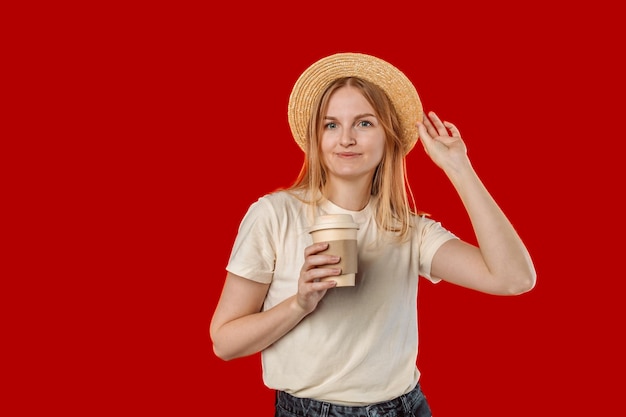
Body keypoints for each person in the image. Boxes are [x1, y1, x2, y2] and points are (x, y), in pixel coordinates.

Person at [210, 52, 536, 417]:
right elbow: (224, 342)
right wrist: (300, 303)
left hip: (404, 408)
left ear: (389, 137)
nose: (346, 138)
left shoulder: (409, 231)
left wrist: (459, 168)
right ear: (316, 137)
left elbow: (514, 279)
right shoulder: (274, 215)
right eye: (331, 125)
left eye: (364, 123)